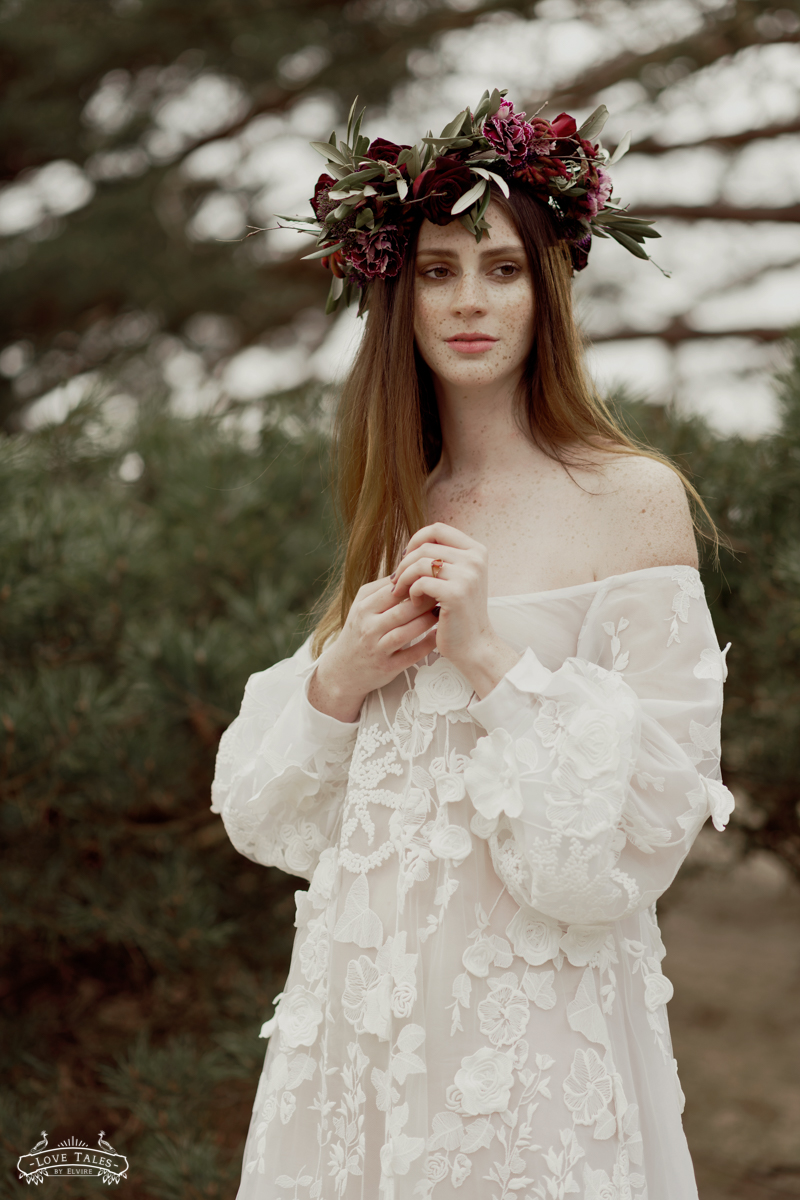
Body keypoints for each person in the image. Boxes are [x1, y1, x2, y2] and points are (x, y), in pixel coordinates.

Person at [211, 91, 734, 1200]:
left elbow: (644, 827)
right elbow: (269, 820)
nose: (467, 301)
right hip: (356, 1023)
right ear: (395, 298)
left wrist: (491, 655)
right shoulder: (392, 501)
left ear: (546, 293)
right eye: (438, 270)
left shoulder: (629, 498)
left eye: (500, 269)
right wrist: (340, 678)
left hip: (531, 1044)